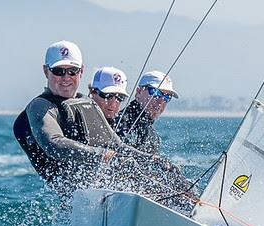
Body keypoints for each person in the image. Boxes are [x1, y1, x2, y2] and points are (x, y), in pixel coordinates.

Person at [13, 41, 195, 212]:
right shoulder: (40, 106)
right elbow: (54, 144)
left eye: (72, 71)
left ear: (81, 71)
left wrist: (152, 161)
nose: (66, 78)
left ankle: (196, 210)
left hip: (104, 188)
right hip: (81, 199)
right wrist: (105, 156)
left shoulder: (86, 103)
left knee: (168, 181)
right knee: (132, 178)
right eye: (59, 71)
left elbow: (117, 146)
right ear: (46, 71)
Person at [115, 70, 178, 154]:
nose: (161, 101)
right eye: (156, 92)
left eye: (167, 96)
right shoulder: (121, 122)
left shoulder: (153, 134)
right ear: (139, 91)